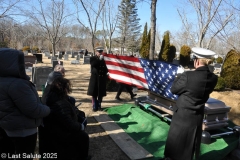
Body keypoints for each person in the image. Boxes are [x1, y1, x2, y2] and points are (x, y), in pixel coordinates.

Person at [162, 48, 218, 160]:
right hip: (197, 115)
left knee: (176, 142)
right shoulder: (214, 78)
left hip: (182, 115)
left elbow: (174, 90)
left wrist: (178, 76)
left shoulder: (188, 76)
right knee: (190, 143)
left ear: (196, 61)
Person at [0, 48, 50, 160]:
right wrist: (48, 109)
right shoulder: (17, 85)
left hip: (7, 127)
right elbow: (34, 110)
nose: (23, 64)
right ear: (11, 63)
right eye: (20, 61)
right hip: (23, 131)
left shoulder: (3, 81)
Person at [40, 76, 90, 160]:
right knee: (83, 137)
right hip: (62, 135)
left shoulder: (53, 97)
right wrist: (81, 126)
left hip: (56, 132)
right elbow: (69, 124)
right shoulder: (60, 103)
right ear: (63, 89)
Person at [87, 47, 108, 112]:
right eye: (99, 52)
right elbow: (93, 64)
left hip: (101, 78)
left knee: (100, 94)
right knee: (94, 93)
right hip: (95, 78)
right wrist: (99, 60)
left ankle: (99, 105)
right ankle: (94, 106)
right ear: (96, 52)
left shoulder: (104, 59)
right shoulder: (93, 58)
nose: (100, 53)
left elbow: (106, 68)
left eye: (101, 52)